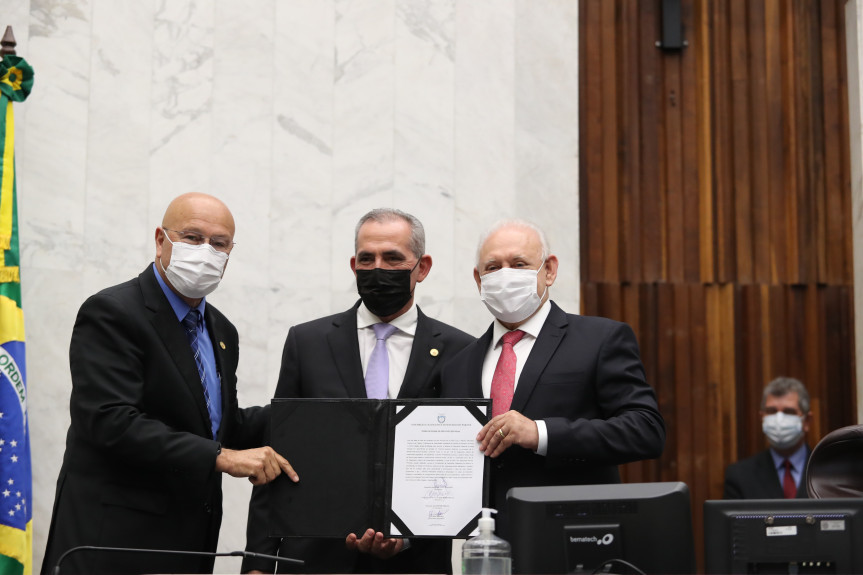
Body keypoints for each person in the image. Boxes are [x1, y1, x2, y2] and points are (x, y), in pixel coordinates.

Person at [41, 193, 298, 575]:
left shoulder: (222, 330)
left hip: (187, 548)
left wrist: (306, 417)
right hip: (113, 546)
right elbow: (110, 421)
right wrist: (220, 456)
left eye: (219, 243)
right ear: (161, 240)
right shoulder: (113, 312)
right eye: (193, 238)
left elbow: (218, 424)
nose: (206, 251)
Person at [242, 208, 474, 574]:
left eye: (393, 258)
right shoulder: (308, 342)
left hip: (414, 562)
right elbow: (279, 450)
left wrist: (408, 536)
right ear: (354, 265)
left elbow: (459, 465)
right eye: (367, 259)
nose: (377, 268)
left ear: (423, 267)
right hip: (315, 558)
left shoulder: (460, 351)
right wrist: (258, 561)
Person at [440, 219, 666, 539]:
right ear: (478, 279)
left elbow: (646, 430)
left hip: (573, 538)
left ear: (549, 270)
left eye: (519, 264)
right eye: (493, 267)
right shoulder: (457, 365)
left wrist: (540, 432)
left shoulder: (600, 339)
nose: (505, 275)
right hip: (486, 550)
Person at [723, 376, 812, 499]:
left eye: (788, 412)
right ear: (762, 418)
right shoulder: (740, 476)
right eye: (771, 411)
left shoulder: (830, 472)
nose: (779, 420)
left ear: (806, 421)